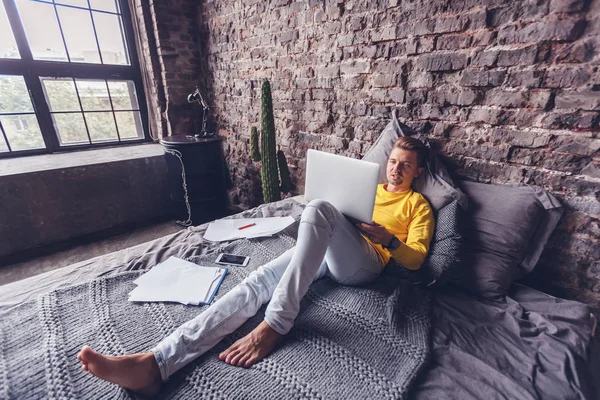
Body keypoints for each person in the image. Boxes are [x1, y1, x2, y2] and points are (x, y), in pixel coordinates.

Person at [76, 136, 435, 397]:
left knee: (318, 210)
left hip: (366, 263)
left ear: (418, 171)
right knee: (258, 278)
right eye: (393, 161)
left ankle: (277, 322)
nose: (396, 168)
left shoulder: (418, 205)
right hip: (328, 248)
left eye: (405, 165)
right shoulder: (368, 187)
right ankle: (158, 363)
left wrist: (388, 238)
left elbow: (417, 259)